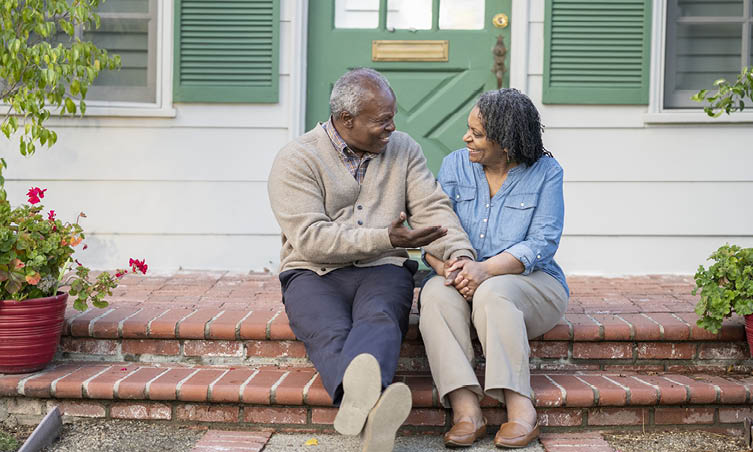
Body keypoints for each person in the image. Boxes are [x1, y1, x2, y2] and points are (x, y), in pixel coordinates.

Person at [267, 68, 476, 452]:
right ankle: (374, 407)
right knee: (328, 331)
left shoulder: (404, 149)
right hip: (313, 272)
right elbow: (311, 240)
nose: (392, 127)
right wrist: (384, 237)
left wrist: (460, 255)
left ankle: (358, 405)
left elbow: (433, 209)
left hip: (383, 268)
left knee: (380, 315)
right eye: (382, 120)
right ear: (347, 119)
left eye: (393, 117)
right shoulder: (296, 159)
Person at [419, 88, 569, 448]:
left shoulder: (546, 172)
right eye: (468, 129)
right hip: (459, 278)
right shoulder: (456, 164)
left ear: (507, 141)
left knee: (493, 291)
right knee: (434, 295)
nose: (466, 137)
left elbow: (542, 243)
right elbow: (435, 229)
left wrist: (484, 271)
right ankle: (466, 410)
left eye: (478, 133)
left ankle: (521, 410)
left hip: (532, 284)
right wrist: (446, 269)